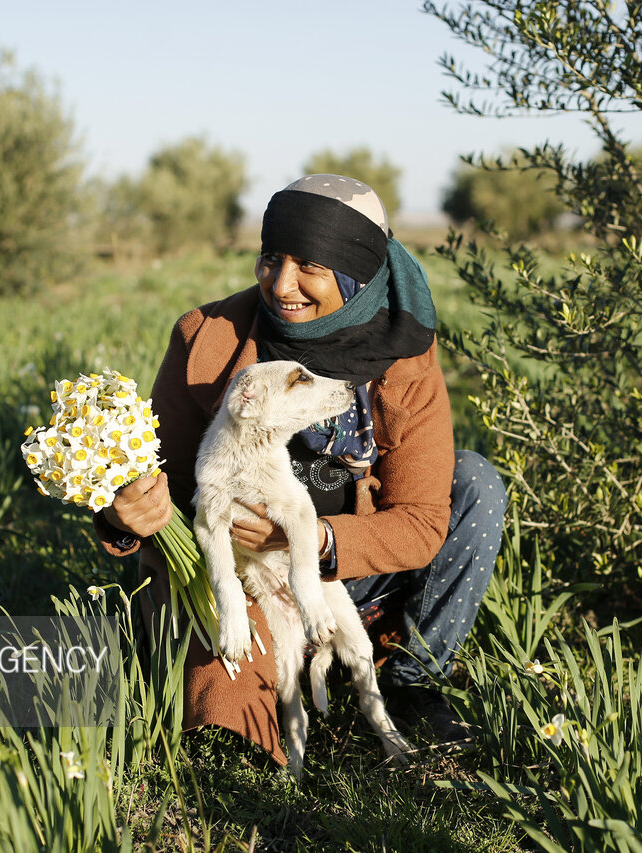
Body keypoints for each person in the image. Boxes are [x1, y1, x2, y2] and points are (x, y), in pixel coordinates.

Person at [94, 174, 505, 766]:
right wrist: (123, 518)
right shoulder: (208, 338)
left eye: (309, 264)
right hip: (245, 578)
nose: (280, 284)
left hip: (354, 580)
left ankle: (413, 678)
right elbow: (168, 489)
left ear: (354, 276)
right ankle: (266, 695)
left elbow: (419, 522)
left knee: (473, 483)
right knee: (239, 722)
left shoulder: (405, 357)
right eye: (270, 258)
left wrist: (307, 539)